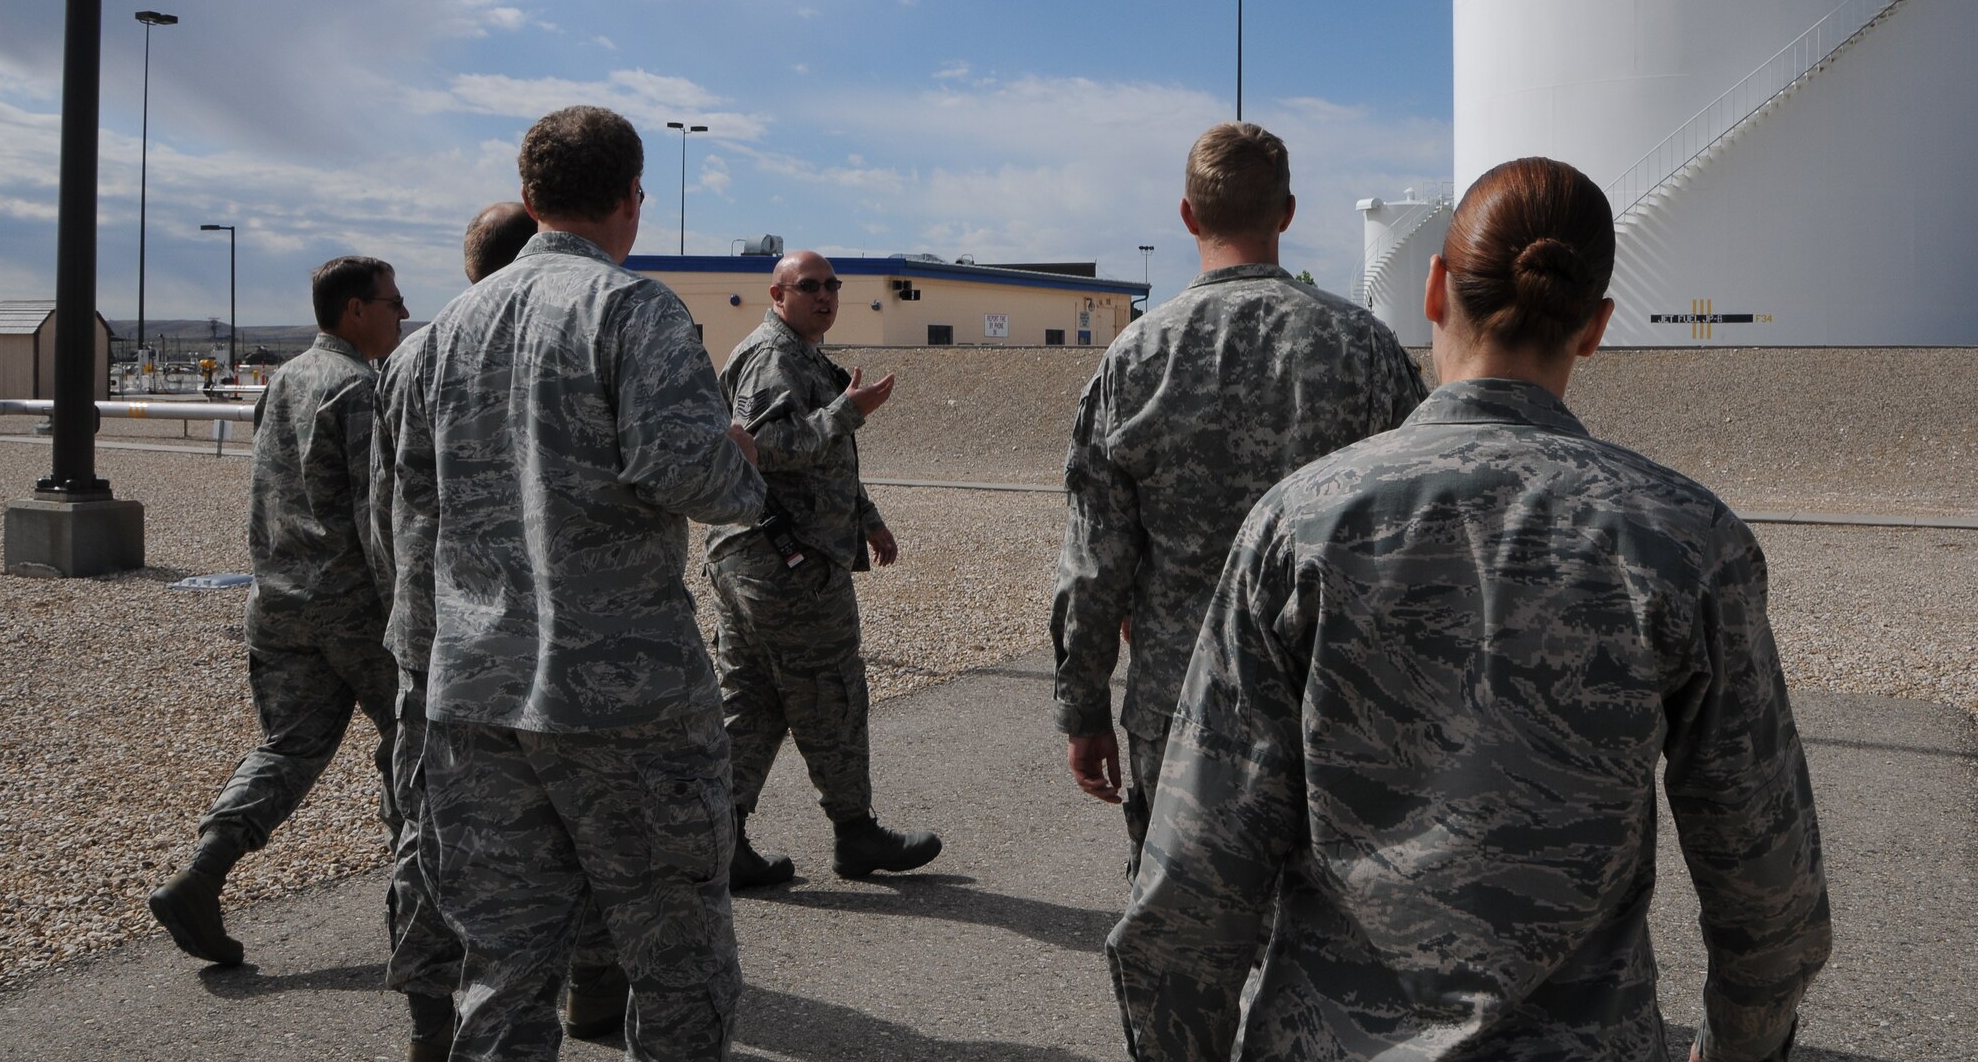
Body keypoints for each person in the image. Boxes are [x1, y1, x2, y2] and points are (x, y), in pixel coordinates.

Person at [1108, 157, 1831, 1061]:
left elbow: (1192, 884)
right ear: (1596, 326)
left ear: (1436, 287)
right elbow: (1769, 885)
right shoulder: (1686, 541)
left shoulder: (1300, 528)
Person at [404, 105, 766, 1061]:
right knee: (678, 964)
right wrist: (738, 457)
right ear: (631, 202)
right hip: (625, 699)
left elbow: (408, 504)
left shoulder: (443, 332)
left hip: (477, 694)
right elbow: (690, 475)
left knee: (506, 972)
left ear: (531, 200)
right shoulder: (632, 311)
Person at [1051, 121, 1427, 868]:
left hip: (1183, 704)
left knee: (1183, 940)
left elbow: (1096, 563)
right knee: (1333, 942)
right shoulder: (1368, 350)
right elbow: (1419, 540)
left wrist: (1082, 706)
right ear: (1287, 213)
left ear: (1188, 217)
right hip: (1337, 708)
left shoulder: (1136, 359)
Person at [369, 203, 622, 1061]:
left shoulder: (415, 356)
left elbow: (385, 508)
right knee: (576, 821)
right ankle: (588, 988)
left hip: (440, 641)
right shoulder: (568, 336)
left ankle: (435, 1023)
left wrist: (404, 612)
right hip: (542, 638)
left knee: (442, 837)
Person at [149, 255, 411, 967]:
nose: (402, 313)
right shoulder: (357, 390)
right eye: (393, 303)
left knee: (288, 749)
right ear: (355, 310)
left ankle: (204, 872)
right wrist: (408, 618)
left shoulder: (287, 380)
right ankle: (419, 916)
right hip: (353, 609)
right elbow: (378, 520)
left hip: (279, 602)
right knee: (414, 741)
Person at [704, 249, 941, 888]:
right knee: (829, 689)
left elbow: (823, 461)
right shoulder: (773, 356)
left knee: (756, 698)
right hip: (784, 561)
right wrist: (849, 411)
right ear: (777, 294)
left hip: (766, 555)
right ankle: (854, 832)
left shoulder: (798, 355)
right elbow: (765, 449)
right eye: (810, 286)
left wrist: (866, 516)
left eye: (833, 285)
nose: (826, 296)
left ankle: (722, 840)